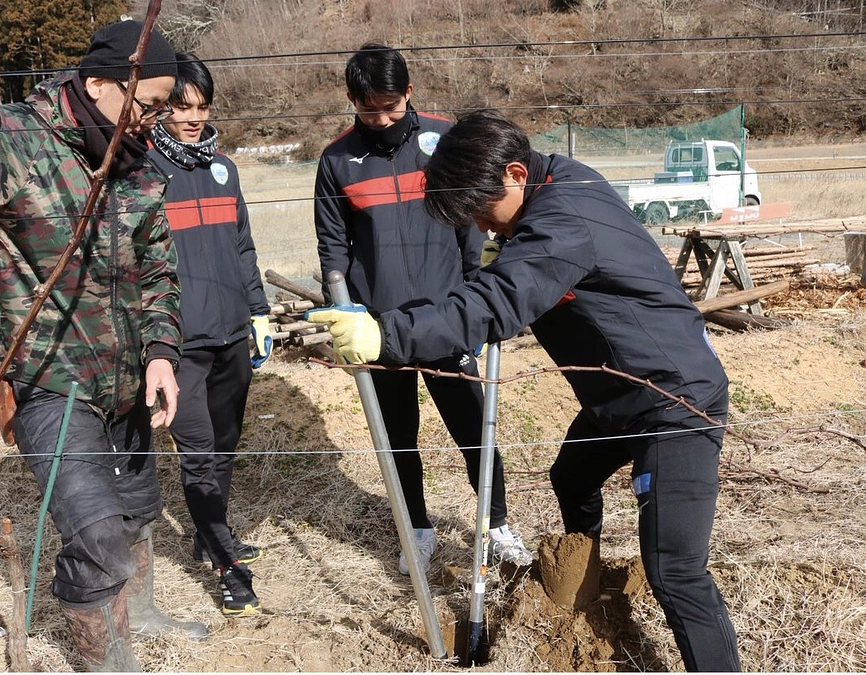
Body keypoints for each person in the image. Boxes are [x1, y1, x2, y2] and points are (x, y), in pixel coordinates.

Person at [308, 109, 742, 671]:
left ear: (514, 173)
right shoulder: (558, 177)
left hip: (672, 401)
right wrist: (510, 244)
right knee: (572, 475)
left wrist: (385, 334)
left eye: (483, 214)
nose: (484, 230)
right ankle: (580, 582)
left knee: (674, 570)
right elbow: (518, 266)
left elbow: (494, 304)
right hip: (619, 394)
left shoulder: (561, 223)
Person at [0, 19, 208, 672]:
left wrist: (162, 354)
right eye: (148, 106)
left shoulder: (138, 160)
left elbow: (157, 269)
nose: (156, 121)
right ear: (98, 85)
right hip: (48, 374)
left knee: (139, 511)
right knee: (95, 539)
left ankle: (139, 612)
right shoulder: (13, 140)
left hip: (125, 374)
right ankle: (110, 662)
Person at [313, 44, 532, 575]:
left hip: (447, 316)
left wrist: (477, 298)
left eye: (392, 106)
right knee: (397, 435)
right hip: (380, 327)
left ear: (409, 92)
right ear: (351, 101)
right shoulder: (337, 161)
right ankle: (416, 526)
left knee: (474, 425)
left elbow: (470, 219)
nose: (383, 120)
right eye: (370, 110)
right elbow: (333, 248)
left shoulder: (444, 142)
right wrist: (346, 311)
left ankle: (496, 522)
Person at [147, 52, 271, 617]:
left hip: (232, 336)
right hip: (180, 346)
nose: (192, 117)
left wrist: (259, 311)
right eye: (180, 106)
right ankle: (228, 565)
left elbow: (242, 246)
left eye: (201, 106)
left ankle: (208, 531)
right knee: (196, 450)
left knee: (224, 442)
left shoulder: (225, 168)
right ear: (160, 107)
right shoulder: (142, 172)